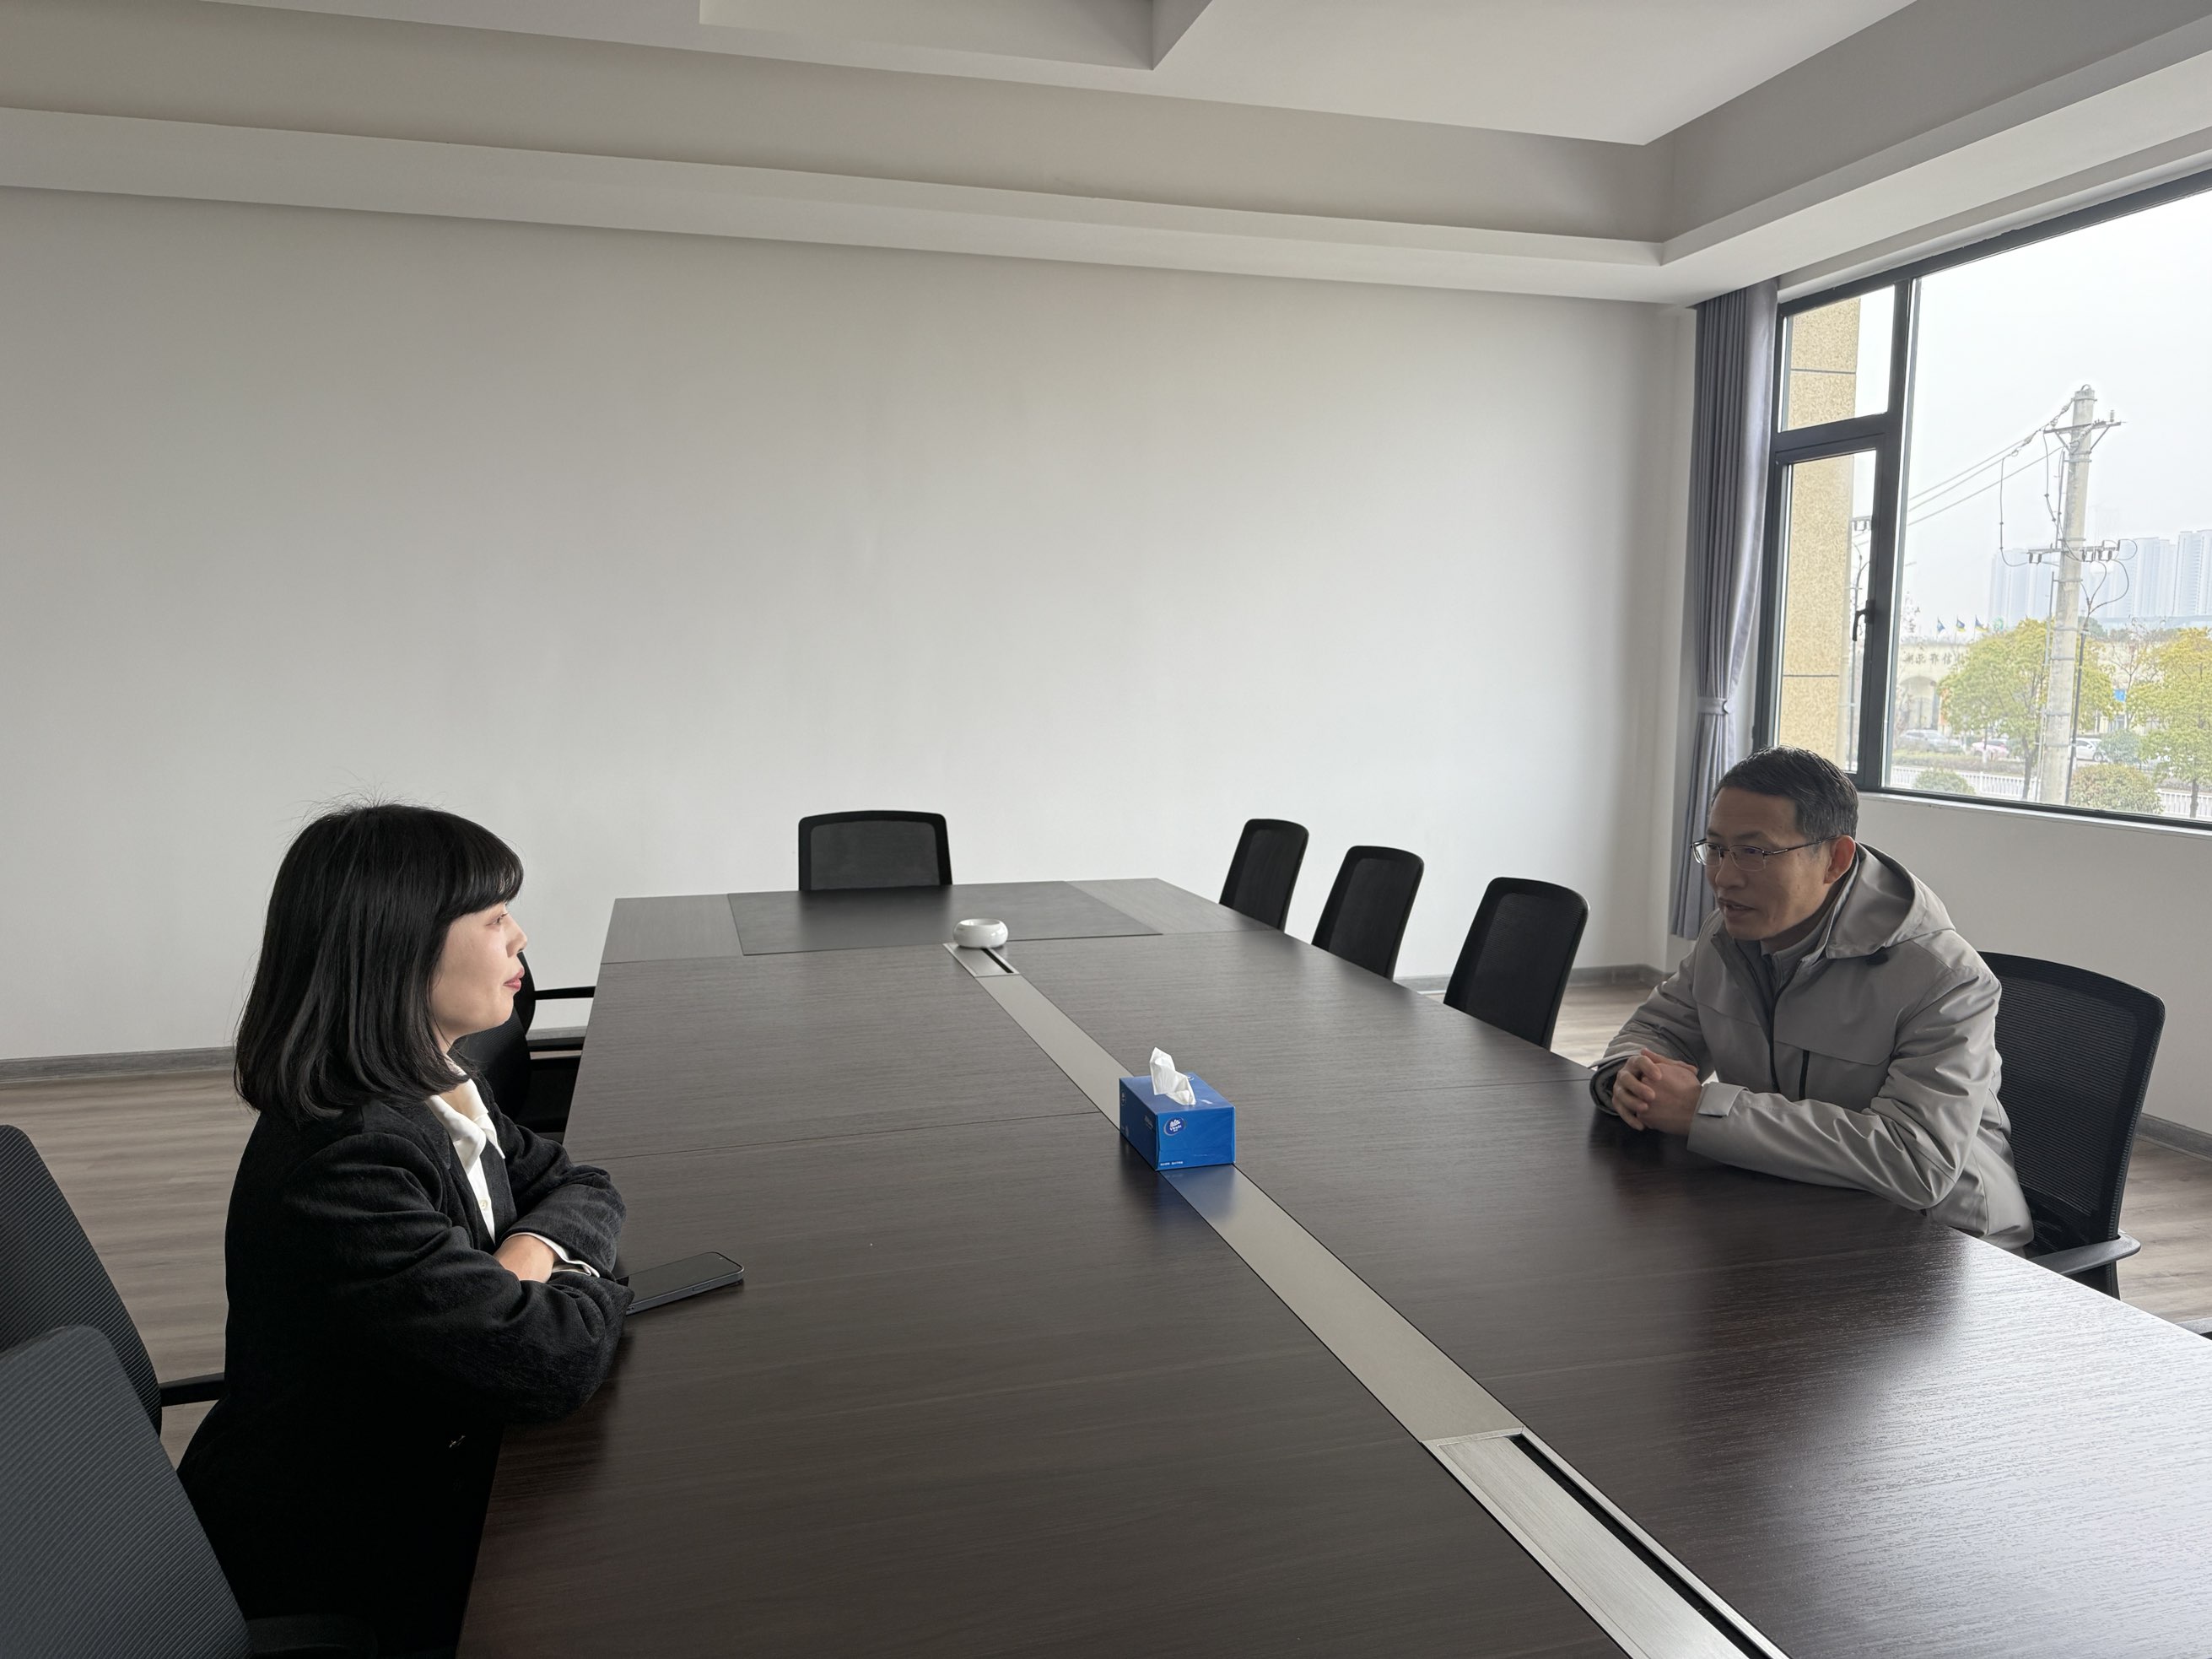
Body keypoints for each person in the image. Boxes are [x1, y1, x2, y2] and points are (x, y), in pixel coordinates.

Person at [181, 803, 633, 1653]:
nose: (520, 937)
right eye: (494, 916)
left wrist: (525, 1255)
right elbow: (548, 1358)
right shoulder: (349, 1158)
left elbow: (583, 1184)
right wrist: (580, 1275)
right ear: (401, 945)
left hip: (427, 1461)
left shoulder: (434, 1083)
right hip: (341, 1548)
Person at [1595, 747, 2032, 1249]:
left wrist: (1703, 1112)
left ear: (1835, 859)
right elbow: (1658, 1030)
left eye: (1754, 852)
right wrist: (1630, 1077)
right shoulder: (1727, 935)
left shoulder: (1946, 979)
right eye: (1715, 849)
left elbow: (1917, 1163)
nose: (1723, 877)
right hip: (1795, 1207)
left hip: (1947, 1248)